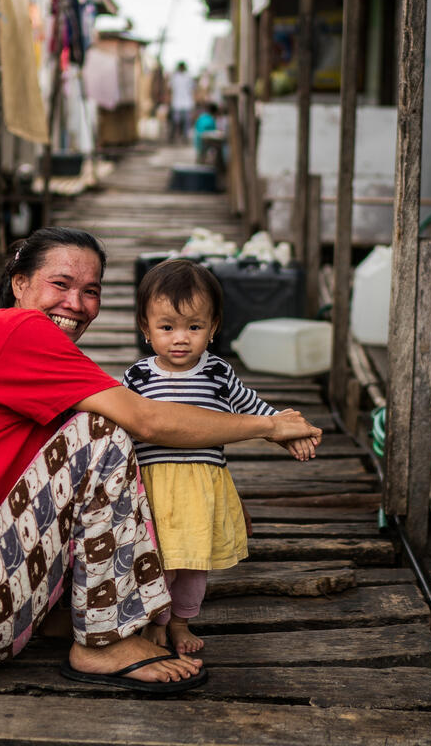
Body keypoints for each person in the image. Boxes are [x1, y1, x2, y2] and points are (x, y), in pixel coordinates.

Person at [0, 227, 323, 692]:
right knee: (104, 432)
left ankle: (85, 618)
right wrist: (268, 426)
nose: (76, 304)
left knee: (100, 426)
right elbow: (147, 421)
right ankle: (101, 644)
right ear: (19, 284)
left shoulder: (22, 343)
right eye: (60, 284)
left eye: (91, 291)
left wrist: (214, 492)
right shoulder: (15, 329)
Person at [123, 261, 318, 653]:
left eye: (194, 327)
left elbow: (256, 410)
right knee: (159, 560)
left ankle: (180, 623)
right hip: (153, 486)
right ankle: (155, 621)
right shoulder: (137, 378)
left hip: (202, 486)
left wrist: (287, 432)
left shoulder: (218, 373)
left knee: (194, 561)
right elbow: (119, 425)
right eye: (167, 327)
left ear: (213, 329)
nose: (181, 339)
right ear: (146, 329)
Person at [169, 62, 194, 144]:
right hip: (177, 103)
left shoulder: (188, 77)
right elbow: (170, 88)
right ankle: (175, 137)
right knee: (176, 121)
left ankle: (185, 137)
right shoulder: (175, 77)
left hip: (187, 102)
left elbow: (192, 89)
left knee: (186, 122)